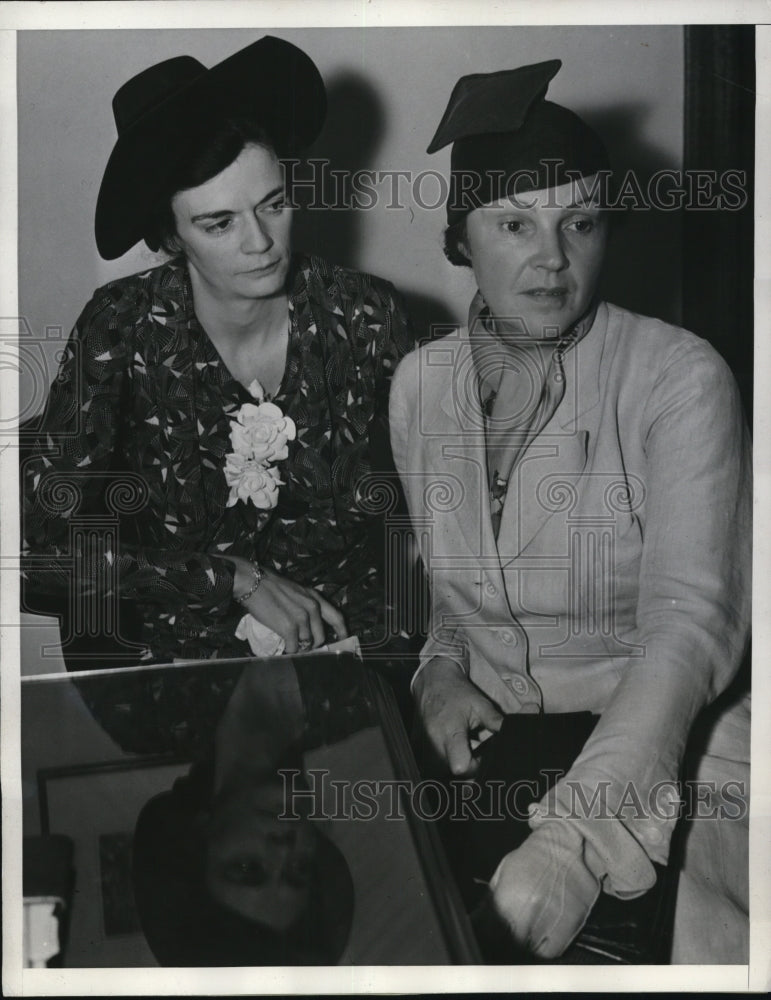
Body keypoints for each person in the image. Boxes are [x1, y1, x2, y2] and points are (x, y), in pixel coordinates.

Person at [389, 59, 751, 963]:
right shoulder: (417, 386)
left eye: (578, 222)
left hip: (663, 746)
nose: (551, 258)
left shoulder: (677, 377)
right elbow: (442, 584)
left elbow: (688, 627)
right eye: (514, 223)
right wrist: (437, 669)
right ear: (460, 240)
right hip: (494, 745)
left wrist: (570, 845)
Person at [21, 36, 414, 672]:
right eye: (219, 222)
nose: (261, 242)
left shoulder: (366, 316)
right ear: (170, 237)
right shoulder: (120, 328)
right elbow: (40, 546)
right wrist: (231, 579)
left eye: (274, 205)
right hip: (177, 665)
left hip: (349, 655)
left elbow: (432, 514)